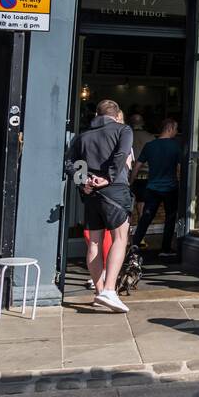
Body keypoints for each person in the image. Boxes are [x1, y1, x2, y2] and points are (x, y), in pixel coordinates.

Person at [65, 99, 134, 314]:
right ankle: (110, 291)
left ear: (97, 114)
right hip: (114, 190)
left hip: (91, 194)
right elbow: (122, 155)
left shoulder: (82, 136)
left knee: (94, 242)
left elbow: (68, 163)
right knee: (120, 239)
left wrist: (83, 180)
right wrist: (109, 177)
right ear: (116, 115)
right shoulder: (123, 130)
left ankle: (99, 292)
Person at [130, 118, 182, 257]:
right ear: (169, 128)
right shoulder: (175, 146)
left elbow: (137, 166)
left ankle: (135, 244)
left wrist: (130, 182)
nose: (176, 132)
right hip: (170, 188)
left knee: (146, 217)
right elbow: (179, 169)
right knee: (170, 219)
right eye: (176, 129)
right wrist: (182, 184)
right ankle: (165, 249)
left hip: (152, 187)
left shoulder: (150, 146)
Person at [128, 113, 155, 219]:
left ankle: (129, 228)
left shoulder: (126, 136)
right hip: (147, 174)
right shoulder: (151, 137)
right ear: (143, 123)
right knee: (143, 203)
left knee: (128, 203)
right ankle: (141, 228)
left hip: (129, 173)